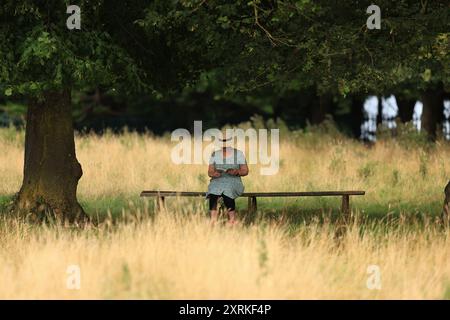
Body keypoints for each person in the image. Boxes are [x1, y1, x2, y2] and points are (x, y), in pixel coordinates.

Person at [206, 134, 248, 225]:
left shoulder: (239, 154)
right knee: (213, 190)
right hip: (218, 180)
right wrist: (214, 173)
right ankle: (213, 220)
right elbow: (210, 172)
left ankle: (232, 220)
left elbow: (245, 171)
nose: (224, 147)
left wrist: (237, 172)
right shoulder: (214, 154)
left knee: (228, 190)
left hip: (234, 180)